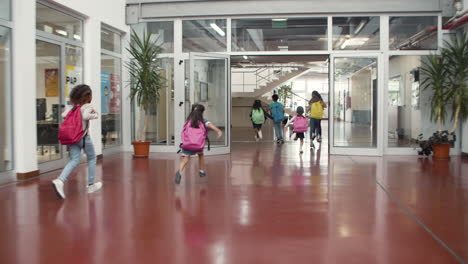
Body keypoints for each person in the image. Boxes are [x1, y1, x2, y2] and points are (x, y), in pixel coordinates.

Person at [52, 84, 102, 199]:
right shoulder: (87, 106)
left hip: (73, 138)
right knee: (92, 158)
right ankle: (90, 185)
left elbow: (63, 114)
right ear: (88, 96)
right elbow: (86, 116)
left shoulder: (74, 107)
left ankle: (60, 180)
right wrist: (95, 114)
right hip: (84, 138)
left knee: (74, 160)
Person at [175, 104, 223, 184]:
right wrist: (218, 131)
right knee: (200, 155)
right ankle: (201, 170)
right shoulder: (203, 121)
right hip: (198, 145)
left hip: (188, 144)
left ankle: (179, 171)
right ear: (201, 112)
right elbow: (210, 126)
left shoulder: (188, 121)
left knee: (185, 159)